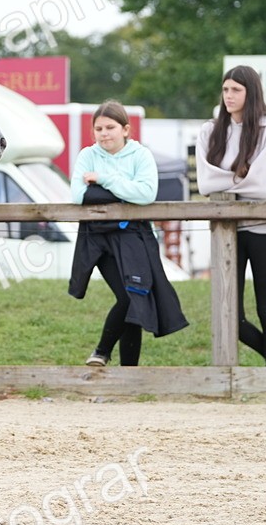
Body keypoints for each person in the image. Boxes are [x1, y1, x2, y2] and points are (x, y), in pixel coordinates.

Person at [68, 100, 187, 366]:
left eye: (110, 127)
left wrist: (103, 181)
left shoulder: (140, 155)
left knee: (136, 296)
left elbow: (145, 194)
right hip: (98, 239)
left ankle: (123, 368)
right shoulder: (87, 155)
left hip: (134, 237)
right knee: (127, 296)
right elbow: (79, 196)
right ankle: (102, 352)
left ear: (125, 129)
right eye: (98, 128)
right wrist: (124, 192)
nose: (104, 133)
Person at [196, 66, 266, 367]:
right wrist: (241, 179)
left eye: (236, 90)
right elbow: (205, 183)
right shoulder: (210, 131)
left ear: (250, 93)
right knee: (231, 313)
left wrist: (228, 182)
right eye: (225, 89)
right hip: (229, 231)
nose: (229, 96)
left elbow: (264, 186)